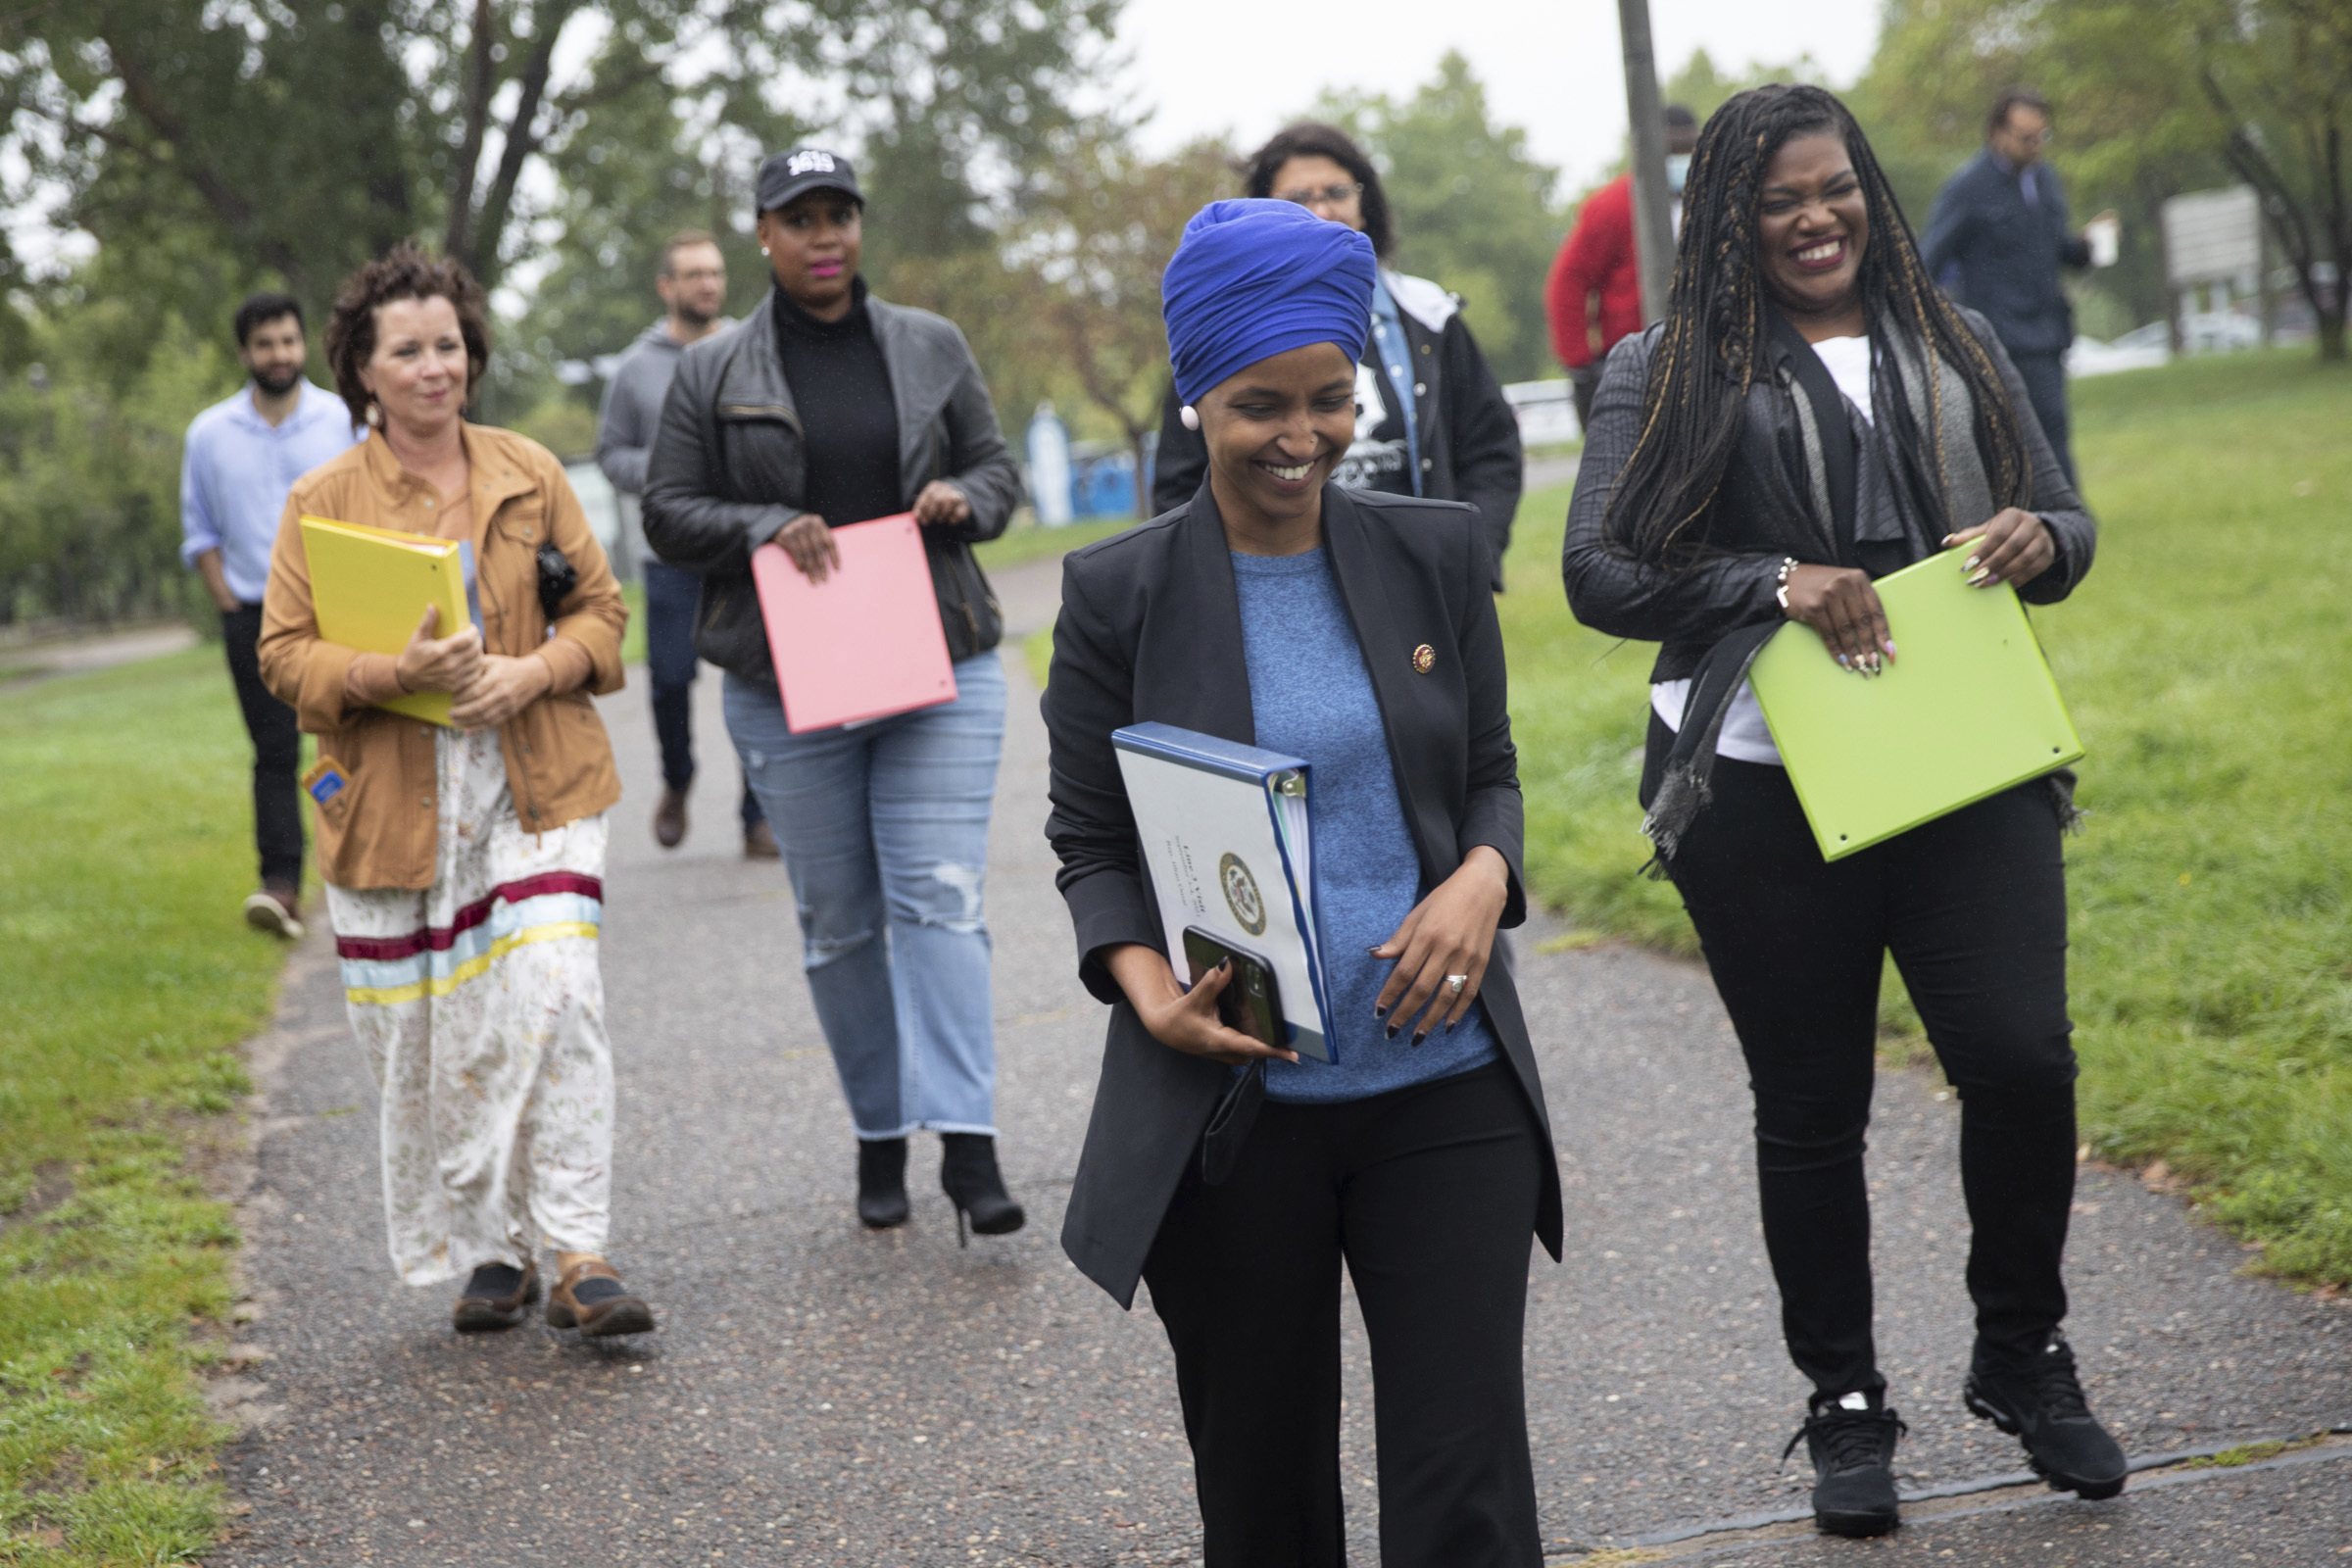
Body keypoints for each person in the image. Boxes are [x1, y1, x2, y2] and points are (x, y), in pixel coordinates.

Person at [1561, 85, 2123, 1538]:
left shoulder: (1957, 341)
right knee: (1812, 1107)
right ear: (1727, 218)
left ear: (1868, 189)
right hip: (1763, 785)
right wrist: (1771, 581)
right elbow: (1600, 570)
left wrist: (2038, 536)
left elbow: (2066, 522)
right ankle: (1847, 1402)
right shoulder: (1665, 368)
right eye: (1778, 200)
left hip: (1962, 757)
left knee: (2022, 1058)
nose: (1815, 220)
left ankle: (2021, 1352)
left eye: (1835, 189)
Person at [1045, 198, 1562, 1567]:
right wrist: (1148, 991)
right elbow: (1090, 839)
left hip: (1445, 1090)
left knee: (1465, 1495)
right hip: (1237, 1115)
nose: (1301, 436)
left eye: (1330, 399)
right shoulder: (1118, 595)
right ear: (1199, 398)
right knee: (1266, 1500)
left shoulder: (1435, 550)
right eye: (1260, 404)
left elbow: (1492, 769)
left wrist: (1485, 875)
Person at [259, 243, 653, 1338]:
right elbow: (283, 655)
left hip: (539, 776)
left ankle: (577, 1249)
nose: (433, 367)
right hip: (390, 798)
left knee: (556, 992)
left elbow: (603, 615)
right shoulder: (321, 500)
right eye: (407, 351)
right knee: (435, 1039)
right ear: (362, 369)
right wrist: (391, 674)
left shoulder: (529, 470)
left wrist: (533, 672)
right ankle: (493, 1248)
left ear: (471, 354)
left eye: (449, 345)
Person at [642, 148, 1028, 1241]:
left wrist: (963, 498)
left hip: (938, 661)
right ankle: (879, 1132)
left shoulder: (930, 343)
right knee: (842, 924)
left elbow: (1000, 474)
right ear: (763, 234)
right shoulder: (712, 370)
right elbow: (667, 512)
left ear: (860, 226)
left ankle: (970, 1145)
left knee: (939, 896)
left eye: (839, 216)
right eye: (800, 218)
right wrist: (764, 525)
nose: (824, 237)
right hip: (786, 678)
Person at [1148, 122, 1524, 591]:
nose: (1323, 210)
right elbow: (1178, 482)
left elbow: (1491, 449)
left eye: (1337, 192)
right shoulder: (1222, 330)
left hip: (1421, 585)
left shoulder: (1429, 316)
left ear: (1365, 204)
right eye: (1298, 198)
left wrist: (1469, 559)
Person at [179, 291, 360, 939]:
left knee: (348, 743)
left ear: (302, 344)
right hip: (253, 615)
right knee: (276, 753)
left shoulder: (343, 421)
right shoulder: (208, 435)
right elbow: (199, 531)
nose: (279, 354)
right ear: (244, 352)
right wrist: (228, 603)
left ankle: (358, 865)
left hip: (340, 612)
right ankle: (281, 885)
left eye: (288, 341)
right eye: (265, 344)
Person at [595, 229, 776, 859]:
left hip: (745, 546)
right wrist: (670, 470)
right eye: (694, 274)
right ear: (666, 286)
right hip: (671, 552)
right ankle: (677, 779)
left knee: (758, 676)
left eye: (715, 273)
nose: (708, 284)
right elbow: (610, 453)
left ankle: (758, 815)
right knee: (671, 680)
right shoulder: (634, 369)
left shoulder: (751, 349)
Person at [1921, 87, 2111, 482]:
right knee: (2015, 448)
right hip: (2000, 339)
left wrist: (2087, 245)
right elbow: (1930, 261)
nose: (2035, 146)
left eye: (2042, 136)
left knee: (2054, 437)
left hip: (2047, 334)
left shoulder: (2045, 179)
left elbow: (2054, 249)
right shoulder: (1968, 187)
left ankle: (2065, 518)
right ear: (1997, 133)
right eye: (2026, 138)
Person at [1544, 105, 1699, 432]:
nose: (1679, 160)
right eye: (1672, 151)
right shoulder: (1613, 206)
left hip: (1702, 357)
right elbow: (1568, 282)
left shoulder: (1711, 202)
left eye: (1686, 151)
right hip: (1633, 364)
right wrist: (1581, 366)